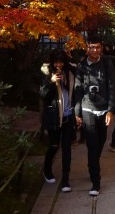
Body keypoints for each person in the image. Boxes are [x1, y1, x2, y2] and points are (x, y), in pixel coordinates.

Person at [74, 37, 115, 196]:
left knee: (101, 142)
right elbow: (78, 90)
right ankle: (95, 182)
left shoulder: (107, 64)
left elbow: (112, 87)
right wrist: (77, 112)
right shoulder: (82, 66)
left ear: (101, 48)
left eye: (98, 47)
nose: (95, 50)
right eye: (92, 47)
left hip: (104, 109)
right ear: (87, 48)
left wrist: (111, 110)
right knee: (92, 145)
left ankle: (93, 164)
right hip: (88, 109)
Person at [39, 49, 76, 192]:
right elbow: (43, 94)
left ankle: (65, 178)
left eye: (61, 61)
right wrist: (51, 82)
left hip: (68, 116)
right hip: (53, 116)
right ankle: (47, 169)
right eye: (56, 62)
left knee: (67, 148)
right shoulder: (46, 73)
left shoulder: (70, 73)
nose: (58, 65)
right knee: (54, 145)